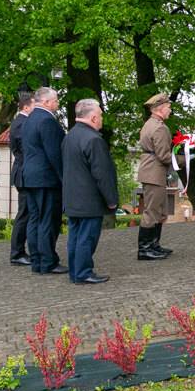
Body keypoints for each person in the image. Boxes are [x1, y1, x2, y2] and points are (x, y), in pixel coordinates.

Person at [62, 99, 117, 284]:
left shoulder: (69, 137)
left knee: (75, 238)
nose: (101, 119)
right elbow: (102, 174)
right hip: (89, 200)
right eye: (100, 115)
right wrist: (111, 199)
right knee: (87, 238)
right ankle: (84, 272)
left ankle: (75, 273)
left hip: (72, 197)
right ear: (93, 117)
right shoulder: (94, 140)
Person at [21, 87, 67, 275]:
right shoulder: (47, 120)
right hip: (46, 178)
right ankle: (48, 261)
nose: (57, 104)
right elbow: (54, 153)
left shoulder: (30, 119)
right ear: (47, 102)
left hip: (30, 177)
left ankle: (37, 261)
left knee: (34, 220)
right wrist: (64, 178)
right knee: (48, 220)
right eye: (55, 100)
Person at [137, 93, 174, 260]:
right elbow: (164, 156)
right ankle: (145, 249)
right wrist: (187, 157)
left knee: (159, 210)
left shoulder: (149, 124)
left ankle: (153, 245)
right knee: (152, 211)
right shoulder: (160, 128)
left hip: (151, 171)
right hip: (154, 172)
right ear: (159, 109)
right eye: (168, 107)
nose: (170, 110)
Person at [8, 95, 34, 266]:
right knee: (24, 213)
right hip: (23, 173)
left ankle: (19, 251)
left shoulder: (20, 123)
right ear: (26, 107)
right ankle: (17, 253)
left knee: (26, 213)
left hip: (23, 172)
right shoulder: (22, 124)